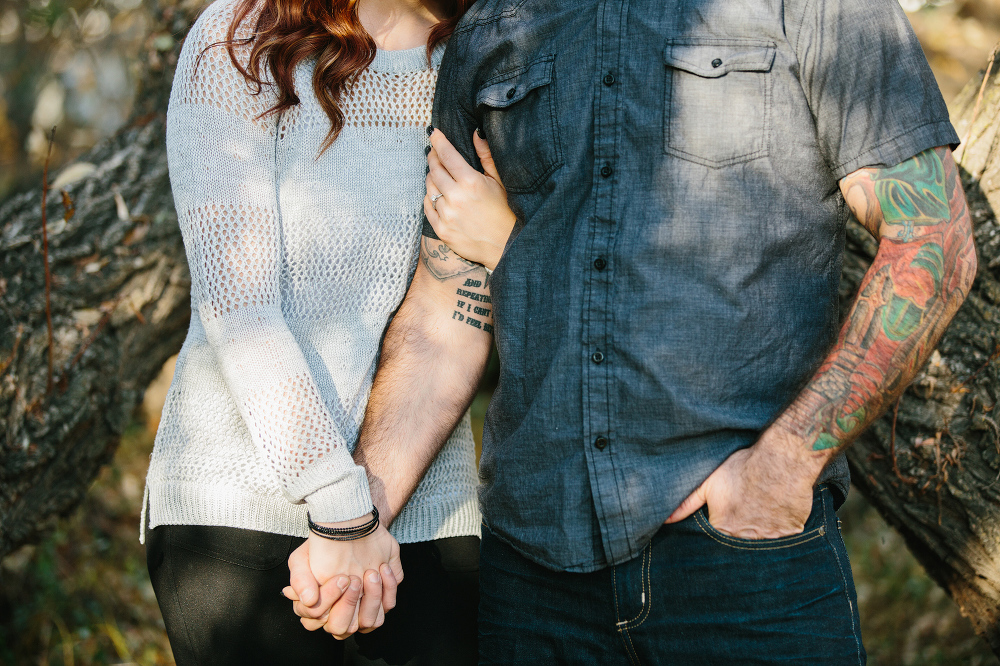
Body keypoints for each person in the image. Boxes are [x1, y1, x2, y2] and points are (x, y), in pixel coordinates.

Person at [291, 0, 978, 663]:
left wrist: (785, 466)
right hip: (533, 577)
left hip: (744, 559)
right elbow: (445, 306)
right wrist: (362, 514)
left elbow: (933, 241)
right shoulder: (496, 24)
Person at [139, 0, 485, 663]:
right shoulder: (242, 40)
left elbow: (460, 299)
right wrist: (339, 507)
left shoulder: (479, 57)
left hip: (429, 513)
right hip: (239, 509)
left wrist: (364, 518)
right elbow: (239, 305)